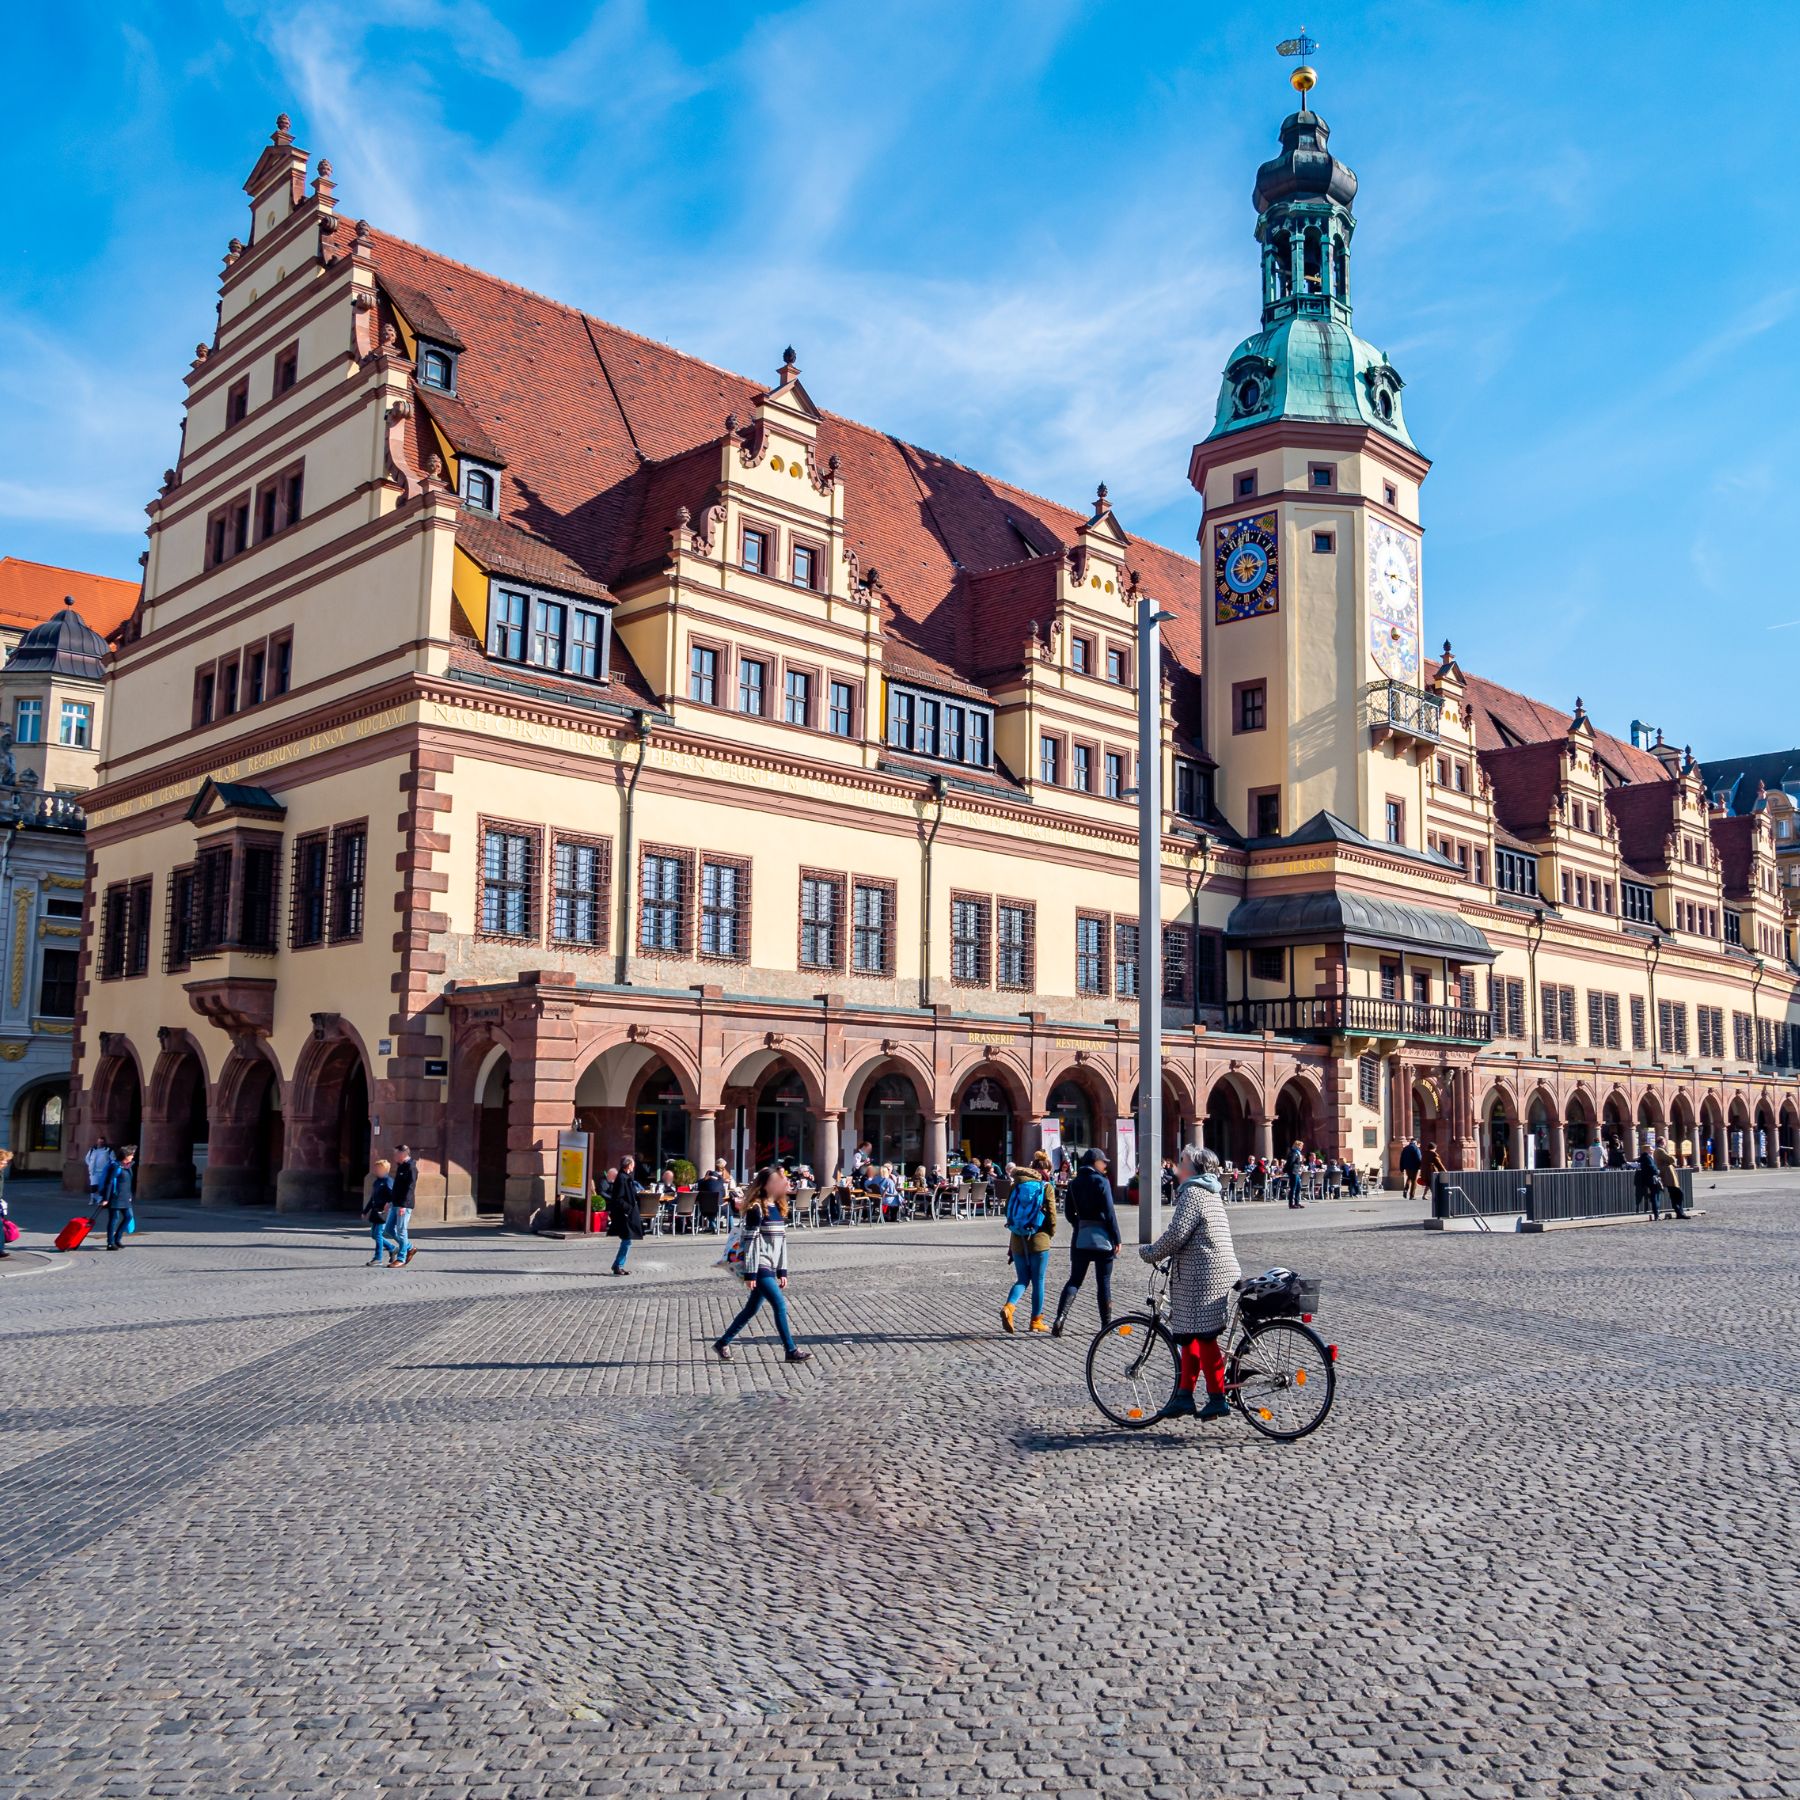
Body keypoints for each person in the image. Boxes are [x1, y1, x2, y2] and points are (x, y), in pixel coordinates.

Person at [1140, 1145, 1243, 1421]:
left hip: (1204, 1277)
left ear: (1193, 1169)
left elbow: (1176, 1235)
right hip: (1211, 1273)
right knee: (1190, 1335)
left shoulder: (1193, 1194)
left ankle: (1217, 1397)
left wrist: (1149, 1252)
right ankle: (1184, 1395)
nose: (1177, 1168)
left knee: (1205, 1336)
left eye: (1182, 1163)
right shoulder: (1210, 1191)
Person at [713, 1165, 811, 1362]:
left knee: (751, 1309)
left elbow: (781, 1242)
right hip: (759, 1266)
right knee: (779, 1305)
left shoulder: (778, 1208)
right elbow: (750, 1244)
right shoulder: (756, 1209)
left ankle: (722, 1343)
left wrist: (783, 1270)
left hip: (771, 1265)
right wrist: (750, 1274)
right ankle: (790, 1350)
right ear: (766, 1185)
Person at [1052, 1147, 1120, 1336]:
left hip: (1080, 1237)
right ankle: (1106, 1325)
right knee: (1103, 1282)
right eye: (1103, 1161)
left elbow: (1068, 1213)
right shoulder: (1101, 1181)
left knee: (1074, 1280)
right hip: (1103, 1238)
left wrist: (1080, 1224)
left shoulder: (1074, 1183)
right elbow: (1109, 1212)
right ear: (1094, 1162)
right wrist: (1117, 1237)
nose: (1105, 1164)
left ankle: (1060, 1318)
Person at [1001, 1149, 1058, 1333]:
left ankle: (1009, 1307)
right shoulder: (1045, 1186)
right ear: (1046, 1169)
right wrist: (1050, 1233)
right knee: (1038, 1281)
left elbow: (1007, 1210)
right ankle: (1035, 1321)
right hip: (1039, 1239)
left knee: (1022, 1279)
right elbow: (1051, 1216)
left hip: (1017, 1238)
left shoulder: (1016, 1185)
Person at [607, 1154, 645, 1273]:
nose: (634, 1167)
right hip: (624, 1216)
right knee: (627, 1240)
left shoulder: (625, 1177)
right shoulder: (622, 1178)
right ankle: (618, 1265)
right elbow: (619, 1198)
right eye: (633, 1164)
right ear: (629, 1165)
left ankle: (617, 1265)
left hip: (627, 1214)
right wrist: (628, 1209)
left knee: (627, 1240)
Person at [386, 1144, 418, 1267]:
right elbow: (397, 1187)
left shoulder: (411, 1168)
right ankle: (409, 1247)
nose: (394, 1156)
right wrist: (390, 1201)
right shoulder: (401, 1167)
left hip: (404, 1205)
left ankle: (401, 1258)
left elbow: (410, 1188)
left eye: (396, 1154)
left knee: (401, 1231)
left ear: (403, 1154)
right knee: (388, 1229)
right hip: (395, 1203)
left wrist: (403, 1206)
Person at [103, 1146, 137, 1250]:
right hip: (115, 1197)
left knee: (128, 1217)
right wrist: (106, 1199)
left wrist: (130, 1195)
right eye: (131, 1154)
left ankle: (117, 1239)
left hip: (125, 1197)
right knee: (114, 1219)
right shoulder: (116, 1166)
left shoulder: (128, 1166)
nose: (133, 1156)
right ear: (125, 1156)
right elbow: (109, 1182)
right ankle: (110, 1243)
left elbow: (128, 1183)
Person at [364, 1158, 397, 1263]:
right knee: (374, 1235)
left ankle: (378, 1258)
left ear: (384, 1169)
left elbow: (394, 1196)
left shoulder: (388, 1181)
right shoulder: (377, 1181)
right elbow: (372, 1198)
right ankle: (392, 1248)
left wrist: (389, 1203)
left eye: (378, 1168)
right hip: (375, 1211)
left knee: (378, 1234)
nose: (375, 1170)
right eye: (375, 1168)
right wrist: (365, 1211)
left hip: (384, 1212)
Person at [1654, 1138, 1687, 1220]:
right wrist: (1672, 1159)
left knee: (1676, 1194)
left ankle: (1679, 1212)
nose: (1665, 1143)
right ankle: (1679, 1212)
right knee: (1678, 1194)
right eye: (1665, 1142)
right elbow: (1671, 1159)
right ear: (1662, 1142)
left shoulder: (1659, 1150)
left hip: (1668, 1175)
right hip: (1668, 1175)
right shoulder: (1660, 1150)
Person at [696, 1160, 728, 1233]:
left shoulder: (702, 1183)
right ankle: (730, 1227)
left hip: (705, 1208)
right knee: (728, 1210)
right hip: (719, 1207)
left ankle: (712, 1226)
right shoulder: (720, 1181)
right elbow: (723, 1195)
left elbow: (698, 1189)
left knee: (708, 1208)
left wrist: (705, 1179)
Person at [85, 1137, 115, 1210]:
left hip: (103, 1171)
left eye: (102, 1142)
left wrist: (109, 1167)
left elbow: (113, 1159)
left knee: (101, 1186)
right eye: (99, 1142)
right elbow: (87, 1158)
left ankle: (100, 1199)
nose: (100, 1143)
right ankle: (93, 1198)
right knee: (93, 1185)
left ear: (104, 1142)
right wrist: (90, 1165)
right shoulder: (92, 1150)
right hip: (94, 1171)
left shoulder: (109, 1150)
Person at [1634, 1144, 1661, 1220]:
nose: (1652, 1150)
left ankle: (1656, 1212)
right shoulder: (1647, 1157)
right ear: (1647, 1150)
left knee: (1653, 1195)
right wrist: (1657, 1171)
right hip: (1651, 1179)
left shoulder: (1643, 1157)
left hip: (1646, 1179)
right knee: (1655, 1196)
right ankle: (1656, 1213)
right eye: (1651, 1149)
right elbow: (1652, 1167)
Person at [1398, 1135, 1423, 1201]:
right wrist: (1421, 1166)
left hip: (1407, 1167)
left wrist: (1401, 1167)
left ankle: (1405, 1190)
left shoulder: (1405, 1148)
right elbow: (1419, 1158)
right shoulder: (1416, 1148)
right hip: (1415, 1167)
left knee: (1409, 1178)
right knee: (1414, 1181)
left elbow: (1402, 1158)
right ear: (1415, 1142)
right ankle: (1412, 1195)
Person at [1283, 1140, 1305, 1209]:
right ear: (1297, 1146)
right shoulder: (1294, 1153)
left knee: (1298, 1187)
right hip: (1293, 1172)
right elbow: (1290, 1162)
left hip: (1296, 1172)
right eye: (1301, 1146)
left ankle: (1297, 1202)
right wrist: (1286, 1170)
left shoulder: (1297, 1153)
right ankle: (1291, 1204)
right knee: (1293, 1188)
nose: (1302, 1147)